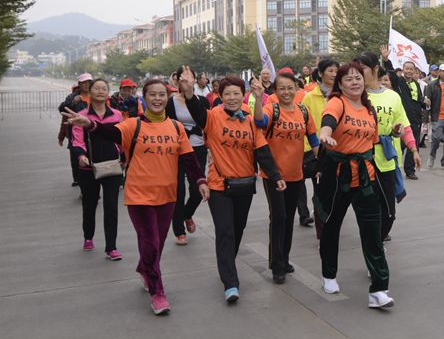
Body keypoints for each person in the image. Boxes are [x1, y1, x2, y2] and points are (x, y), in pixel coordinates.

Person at [62, 78, 210, 315]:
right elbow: (110, 132)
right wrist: (89, 124)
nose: (157, 99)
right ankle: (158, 293)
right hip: (139, 196)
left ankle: (145, 268)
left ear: (167, 98)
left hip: (167, 195)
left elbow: (189, 158)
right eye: (152, 94)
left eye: (162, 95)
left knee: (158, 244)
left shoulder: (176, 127)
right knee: (150, 243)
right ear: (145, 97)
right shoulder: (133, 125)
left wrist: (200, 180)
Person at [180, 71, 286, 302]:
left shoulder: (249, 118)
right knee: (225, 231)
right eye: (227, 94)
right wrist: (188, 92)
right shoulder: (212, 117)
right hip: (219, 184)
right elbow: (196, 110)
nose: (231, 98)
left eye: (236, 93)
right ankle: (230, 282)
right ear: (220, 96)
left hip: (244, 184)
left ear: (243, 95)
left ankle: (226, 262)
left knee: (237, 230)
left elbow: (262, 150)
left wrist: (275, 175)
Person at [315, 62, 395, 309]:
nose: (354, 82)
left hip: (365, 175)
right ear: (340, 84)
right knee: (331, 225)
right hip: (337, 175)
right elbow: (328, 121)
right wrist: (325, 133)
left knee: (373, 230)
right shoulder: (337, 102)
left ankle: (379, 289)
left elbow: (372, 142)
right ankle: (329, 275)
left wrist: (396, 133)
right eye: (348, 79)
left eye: (358, 78)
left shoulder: (369, 110)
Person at [261, 71, 319, 284]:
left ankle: (284, 259)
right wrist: (257, 99)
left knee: (289, 218)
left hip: (296, 174)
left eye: (290, 88)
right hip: (273, 175)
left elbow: (313, 139)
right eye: (282, 88)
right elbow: (260, 121)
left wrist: (321, 163)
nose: (286, 92)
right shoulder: (271, 109)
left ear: (296, 89)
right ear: (275, 91)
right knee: (278, 218)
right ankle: (277, 265)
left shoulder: (303, 111)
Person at [358, 51, 421, 242]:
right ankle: (373, 247)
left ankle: (378, 238)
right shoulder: (355, 96)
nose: (358, 73)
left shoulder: (393, 97)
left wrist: (413, 150)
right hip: (361, 160)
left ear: (375, 69)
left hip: (386, 160)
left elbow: (404, 126)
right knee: (368, 210)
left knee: (388, 212)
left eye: (363, 69)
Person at [71, 78, 124, 258]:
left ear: (108, 93)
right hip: (89, 169)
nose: (100, 91)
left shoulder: (117, 115)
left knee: (111, 207)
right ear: (89, 92)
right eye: (97, 88)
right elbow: (77, 141)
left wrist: (124, 158)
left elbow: (121, 139)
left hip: (112, 167)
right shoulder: (81, 116)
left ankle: (111, 247)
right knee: (89, 205)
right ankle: (88, 236)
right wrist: (81, 156)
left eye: (104, 88)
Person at [166, 66, 210, 245]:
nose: (186, 80)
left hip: (198, 148)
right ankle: (179, 231)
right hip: (177, 151)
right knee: (178, 190)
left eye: (190, 77)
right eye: (182, 78)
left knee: (198, 189)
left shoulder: (202, 101)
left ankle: (187, 214)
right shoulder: (170, 102)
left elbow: (208, 123)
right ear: (177, 81)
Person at [302, 59, 340, 233]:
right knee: (320, 192)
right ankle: (322, 233)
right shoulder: (309, 98)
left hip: (339, 151)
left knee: (335, 192)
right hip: (317, 152)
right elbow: (303, 125)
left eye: (336, 71)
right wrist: (310, 151)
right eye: (330, 70)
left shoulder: (342, 96)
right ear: (320, 73)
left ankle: (331, 223)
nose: (334, 74)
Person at [380, 46, 426, 180]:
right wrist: (386, 60)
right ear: (403, 70)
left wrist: (425, 103)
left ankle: (410, 171)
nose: (409, 71)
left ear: (415, 71)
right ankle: (392, 165)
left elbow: (418, 100)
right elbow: (391, 72)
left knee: (413, 146)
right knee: (399, 145)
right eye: (407, 69)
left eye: (411, 69)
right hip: (402, 120)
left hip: (416, 119)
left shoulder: (416, 84)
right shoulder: (399, 82)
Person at [58, 73, 93, 186]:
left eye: (89, 82)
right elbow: (62, 109)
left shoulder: (95, 95)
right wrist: (72, 102)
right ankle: (78, 179)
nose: (87, 85)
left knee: (91, 155)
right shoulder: (72, 97)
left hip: (92, 130)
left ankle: (91, 180)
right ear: (79, 84)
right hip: (76, 132)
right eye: (84, 83)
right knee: (76, 156)